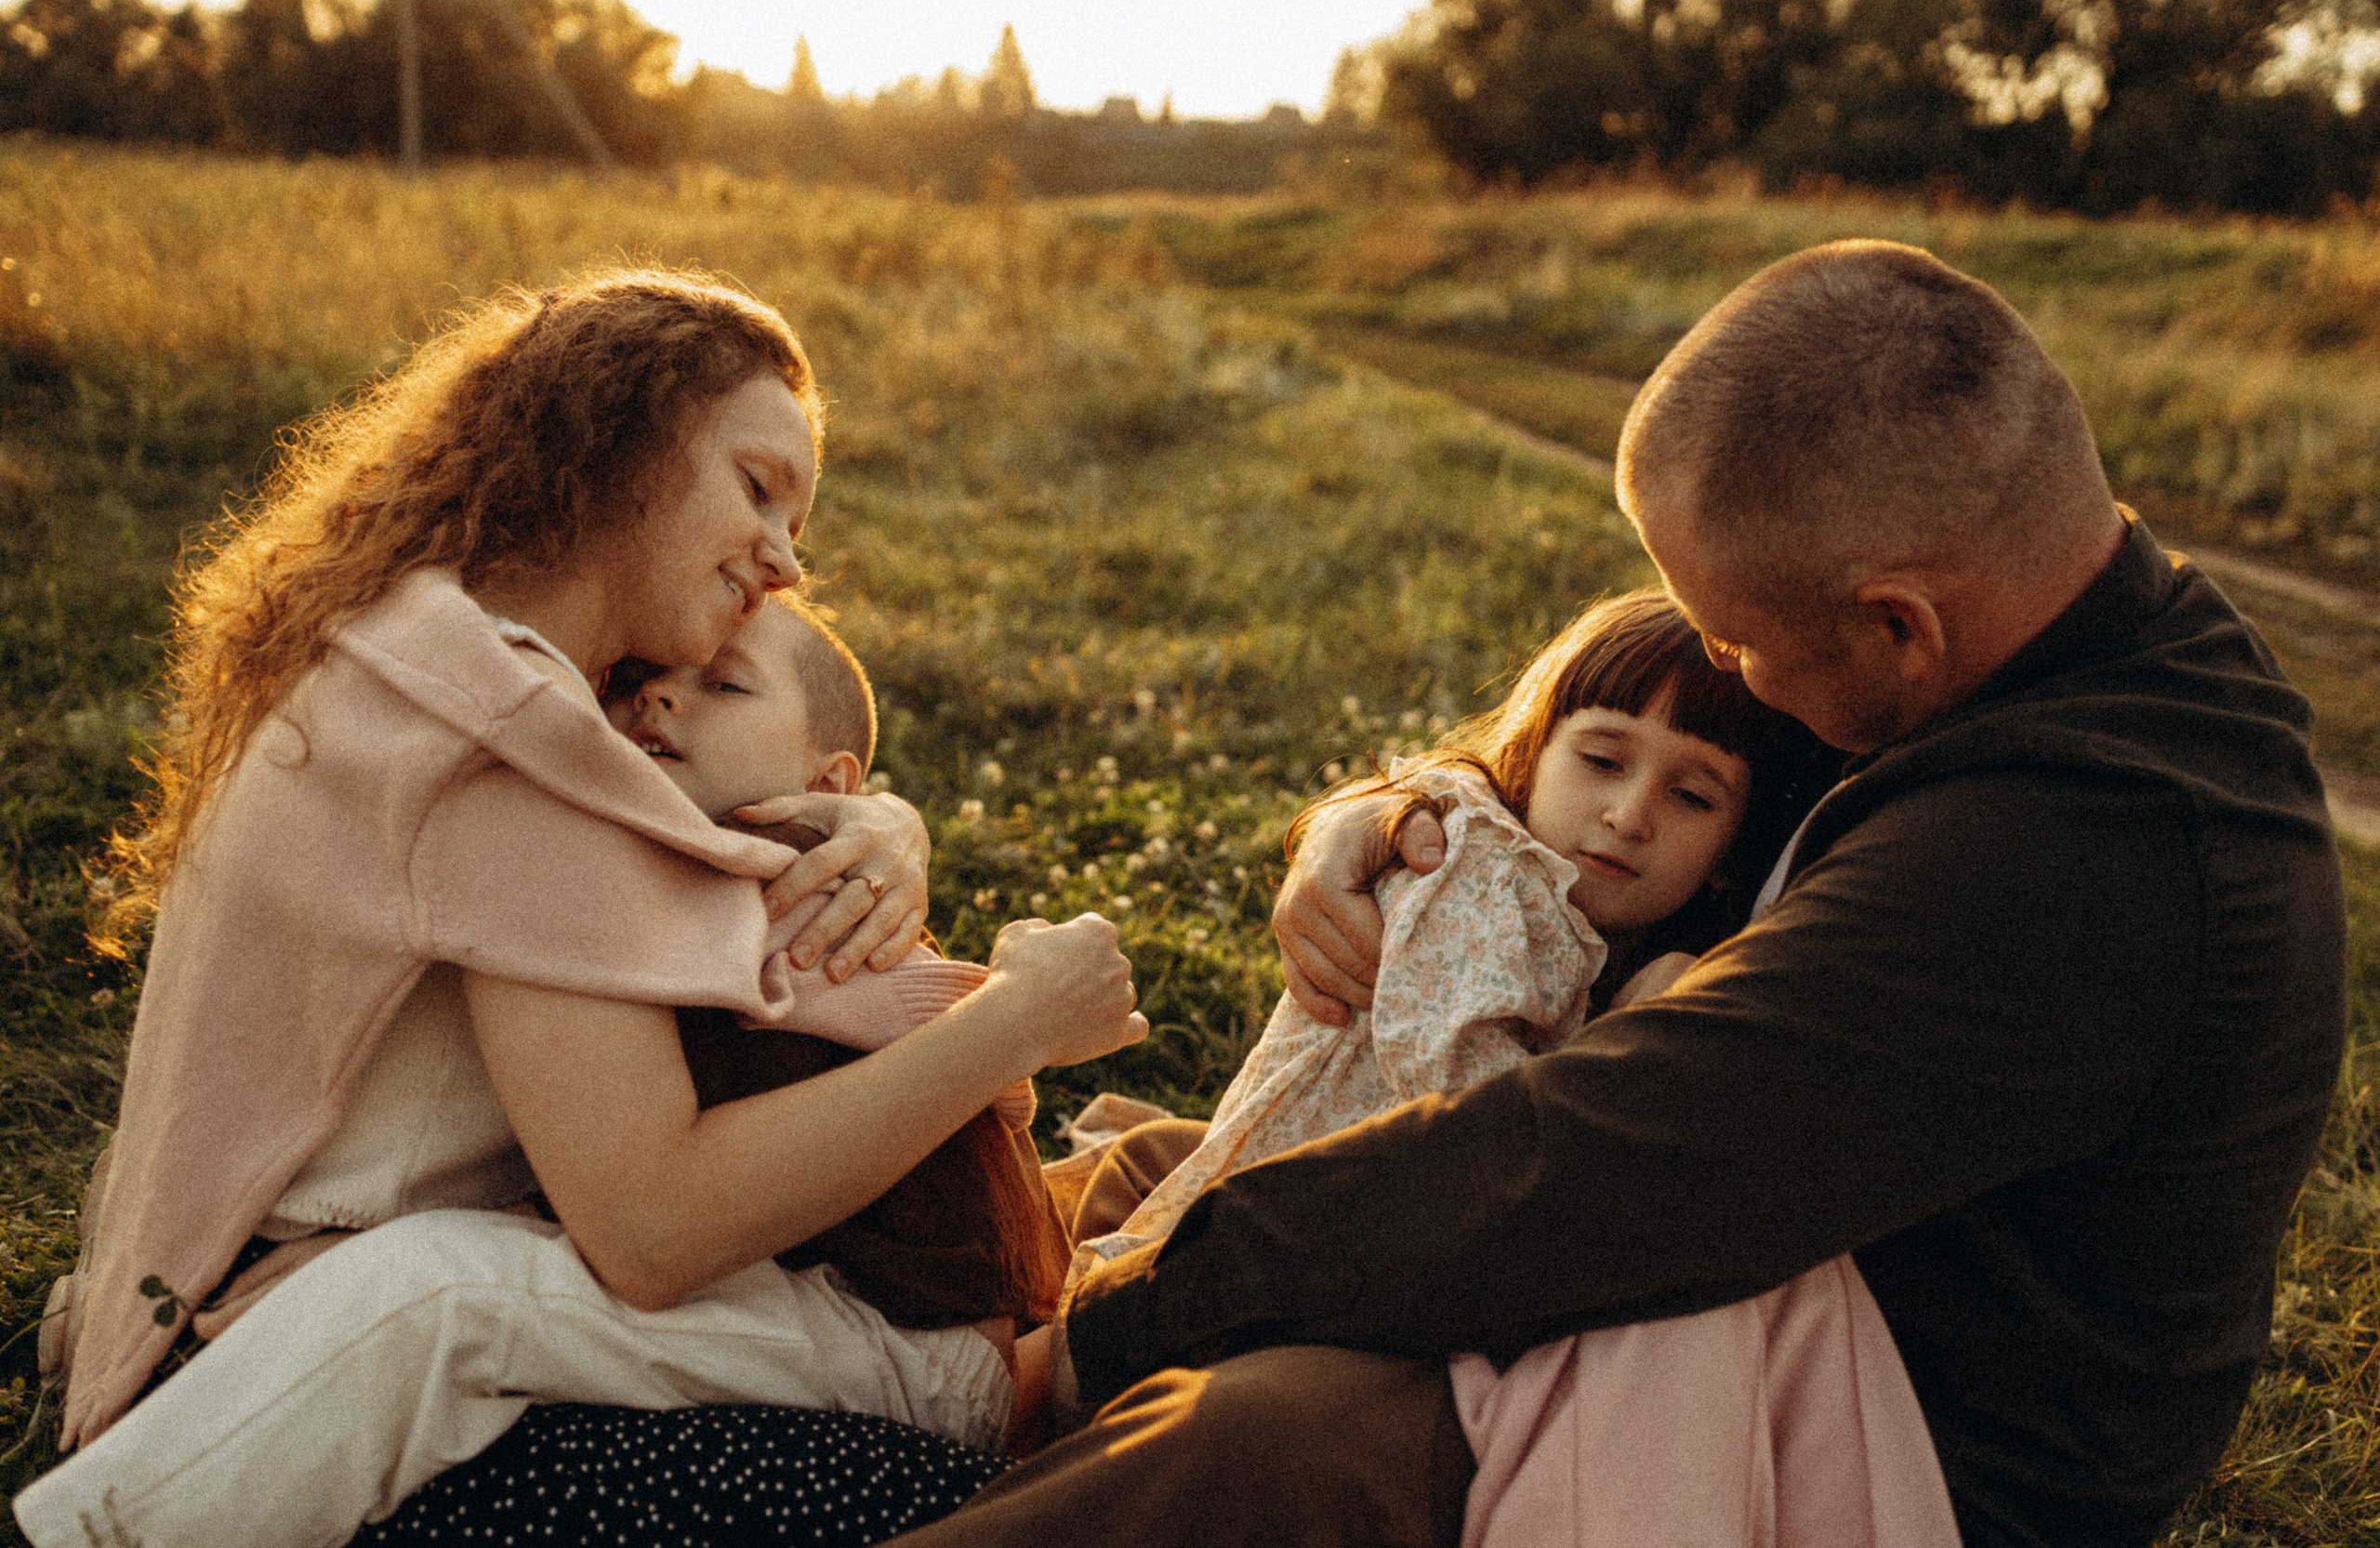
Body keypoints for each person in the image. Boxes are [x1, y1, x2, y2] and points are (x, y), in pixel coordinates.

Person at [885, 240, 2347, 1548]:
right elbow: (1563, 777)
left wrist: (1117, 1332)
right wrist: (1380, 817)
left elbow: (1601, 1160)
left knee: (1264, 1432)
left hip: (1892, 1430)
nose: (1734, 675)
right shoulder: (2057, 657)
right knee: (1151, 1180)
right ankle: (840, 1370)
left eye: (1741, 645)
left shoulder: (2092, 849)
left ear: (1900, 620)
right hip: (1731, 1250)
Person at [14, 268, 1146, 1548]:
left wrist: (880, 816)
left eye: (798, 520)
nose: (783, 557)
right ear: (625, 443)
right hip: (307, 1343)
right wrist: (1014, 1022)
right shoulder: (508, 736)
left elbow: (723, 822)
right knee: (936, 1500)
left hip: (225, 1303)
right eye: (758, 486)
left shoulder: (414, 642)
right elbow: (654, 1230)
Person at [1080, 589, 1821, 1267]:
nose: (1629, 815)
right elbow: (1460, 1092)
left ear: (1732, 850)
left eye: (1691, 796)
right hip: (1270, 1234)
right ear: (1535, 750)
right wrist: (1619, 1044)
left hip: (1358, 1221)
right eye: (1601, 759)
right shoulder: (1477, 870)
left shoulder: (1609, 934)